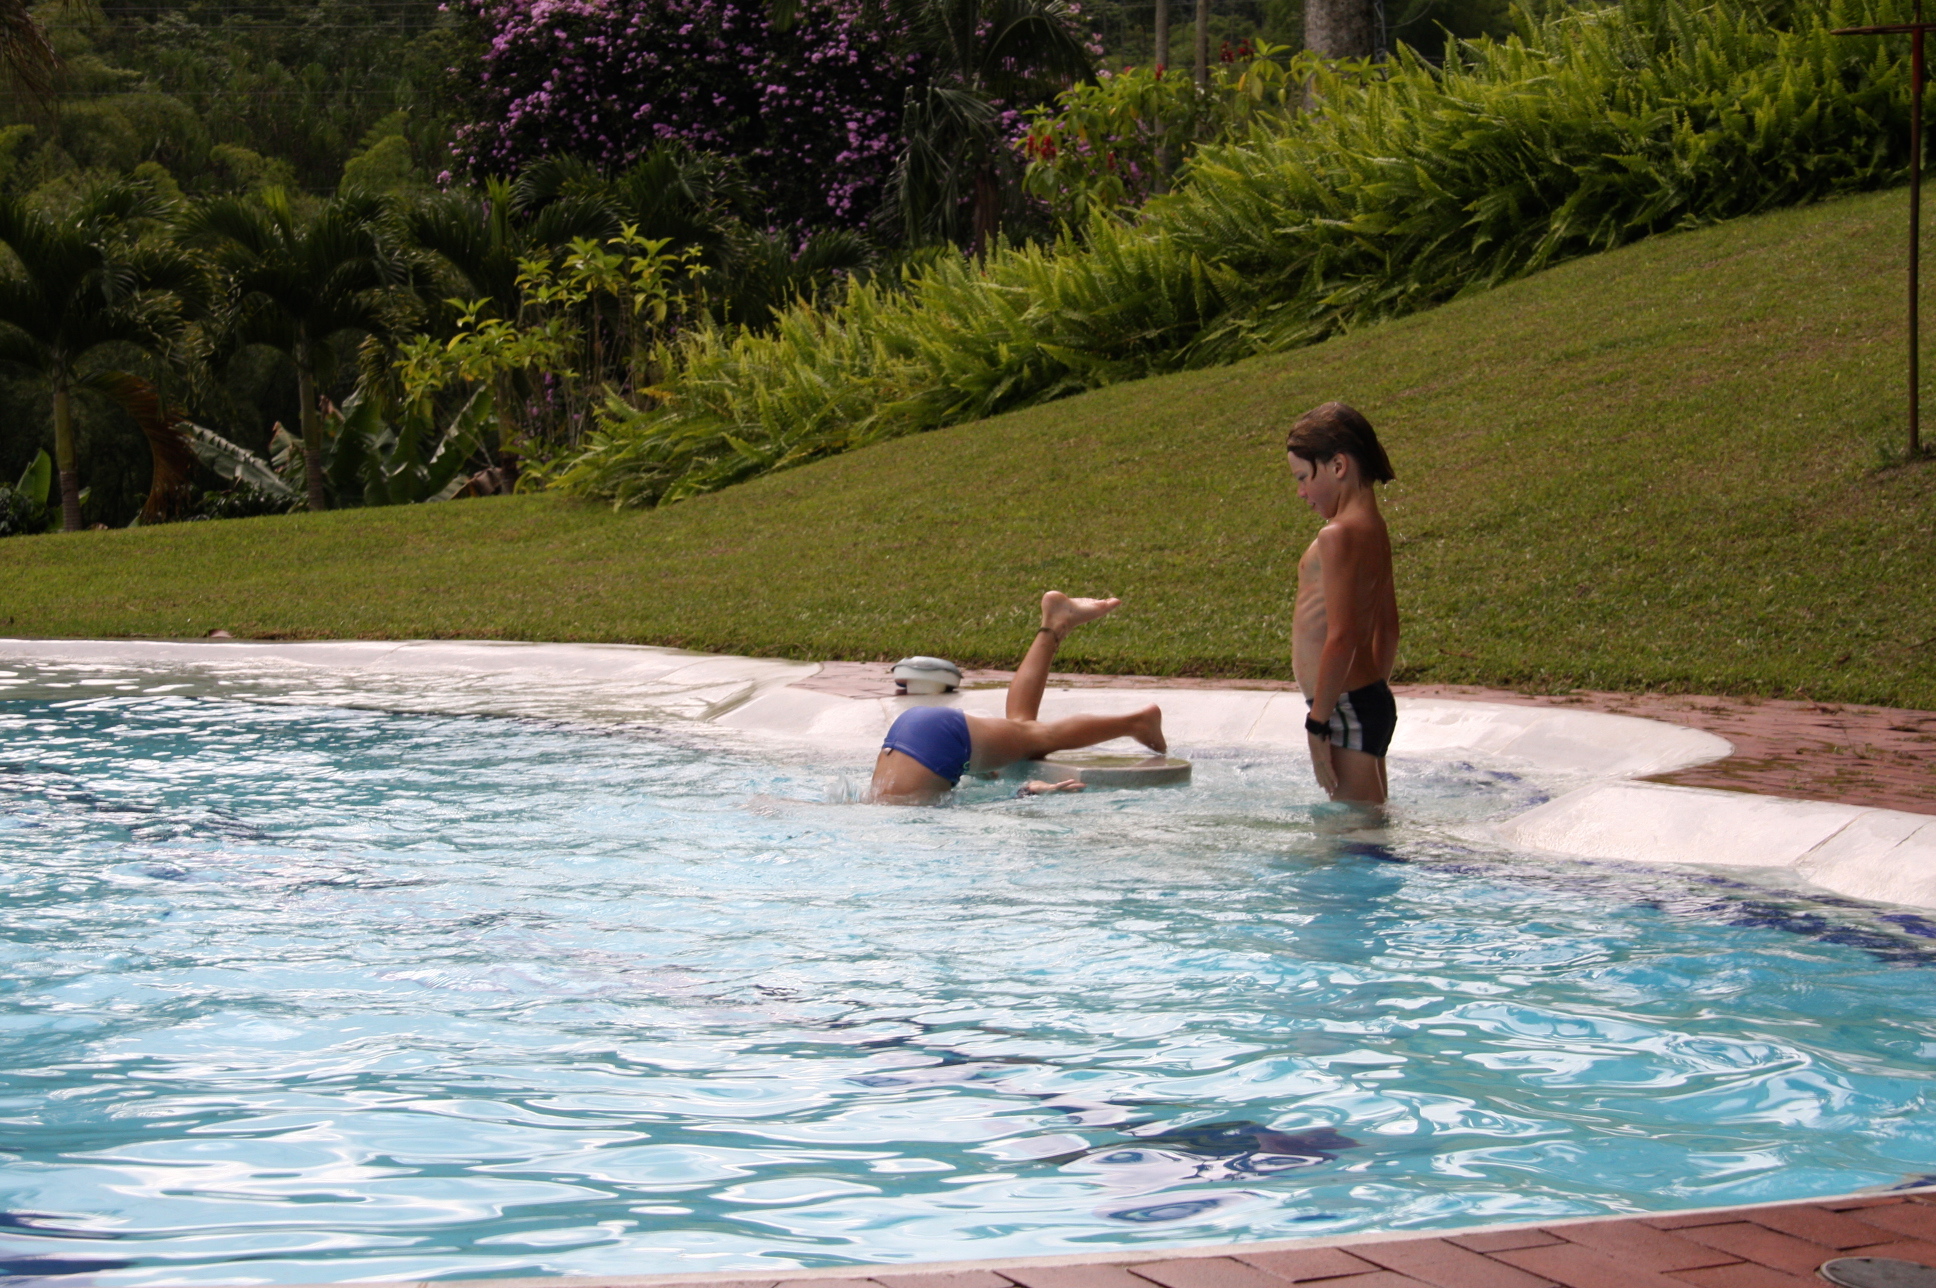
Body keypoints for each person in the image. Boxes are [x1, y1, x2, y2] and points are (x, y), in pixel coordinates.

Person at [868, 592, 1167, 805]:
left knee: (1039, 737)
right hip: (911, 737)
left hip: (939, 744)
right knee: (1022, 726)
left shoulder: (911, 827)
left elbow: (979, 813)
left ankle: (1136, 722)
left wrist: (1028, 793)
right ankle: (1055, 624)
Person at [1288, 402, 1399, 806]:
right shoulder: (1373, 527)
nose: (1301, 492)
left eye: (1303, 477)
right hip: (1361, 701)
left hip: (1343, 708)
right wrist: (1373, 694)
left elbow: (1343, 637)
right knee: (1368, 823)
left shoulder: (1336, 535)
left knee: (1354, 833)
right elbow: (1389, 627)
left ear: (1337, 466)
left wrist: (1318, 723)